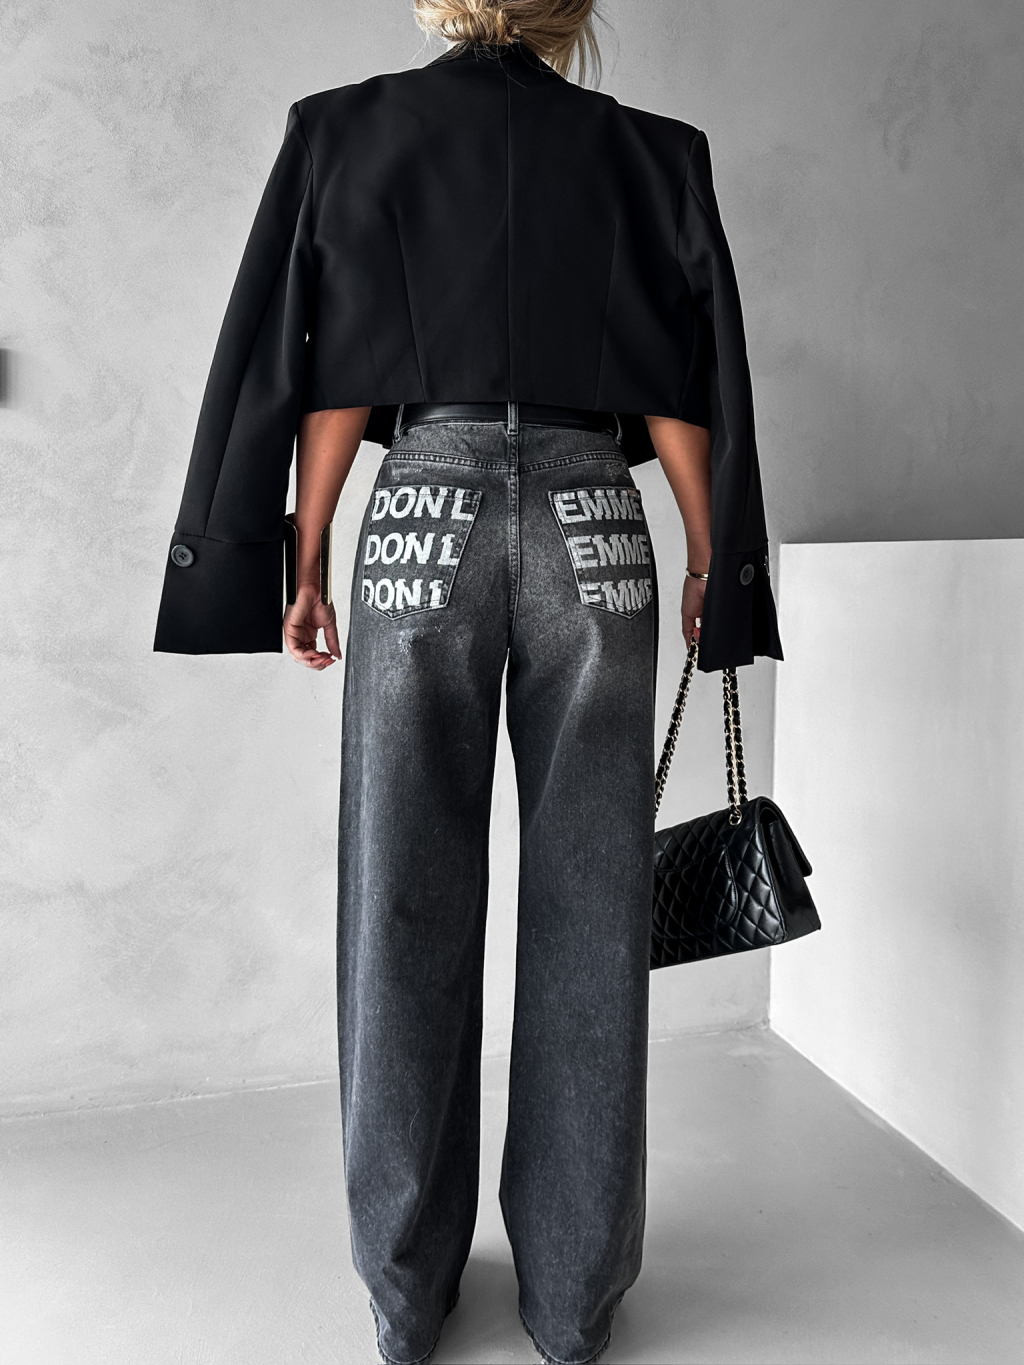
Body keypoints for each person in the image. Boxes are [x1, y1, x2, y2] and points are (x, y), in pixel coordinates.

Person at [154, 2, 783, 1361]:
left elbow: (331, 373)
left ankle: (403, 1286)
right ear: (569, 10)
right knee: (593, 900)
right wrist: (710, 554)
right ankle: (571, 1298)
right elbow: (680, 380)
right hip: (591, 520)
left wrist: (303, 555)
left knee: (400, 892)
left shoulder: (347, 133)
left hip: (421, 513)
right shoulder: (651, 152)